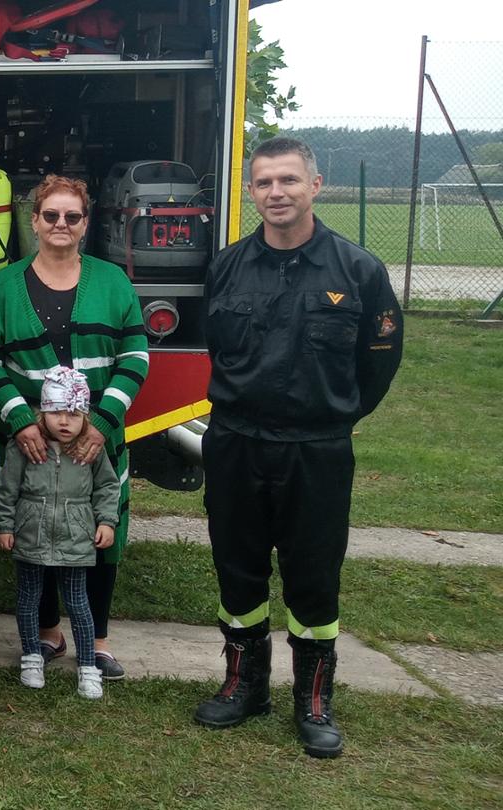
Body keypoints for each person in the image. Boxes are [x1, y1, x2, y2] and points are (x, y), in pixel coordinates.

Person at [193, 137, 403, 759]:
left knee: (313, 575)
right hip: (236, 442)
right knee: (237, 566)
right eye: (263, 183)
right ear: (250, 192)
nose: (276, 193)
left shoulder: (357, 269)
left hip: (316, 448)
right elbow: (215, 345)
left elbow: (379, 364)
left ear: (314, 185)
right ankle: (243, 684)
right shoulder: (228, 266)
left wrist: (334, 414)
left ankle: (313, 699)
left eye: (288, 180)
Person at [0, 174, 149, 682]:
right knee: (37, 531)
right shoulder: (7, 285)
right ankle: (48, 633)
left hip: (98, 440)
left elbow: (135, 355)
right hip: (27, 444)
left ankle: (97, 641)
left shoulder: (113, 282)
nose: (60, 224)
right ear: (34, 221)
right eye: (50, 215)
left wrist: (102, 422)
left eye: (72, 216)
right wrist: (21, 420)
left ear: (85, 224)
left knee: (100, 533)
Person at [0, 366, 120, 701]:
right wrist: (3, 525)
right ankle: (32, 656)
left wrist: (107, 521)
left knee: (79, 603)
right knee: (29, 598)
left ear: (86, 416)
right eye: (57, 413)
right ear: (43, 413)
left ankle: (88, 666)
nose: (65, 421)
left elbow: (107, 487)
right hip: (31, 535)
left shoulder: (91, 451)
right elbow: (6, 489)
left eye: (74, 414)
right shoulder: (25, 448)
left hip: (76, 539)